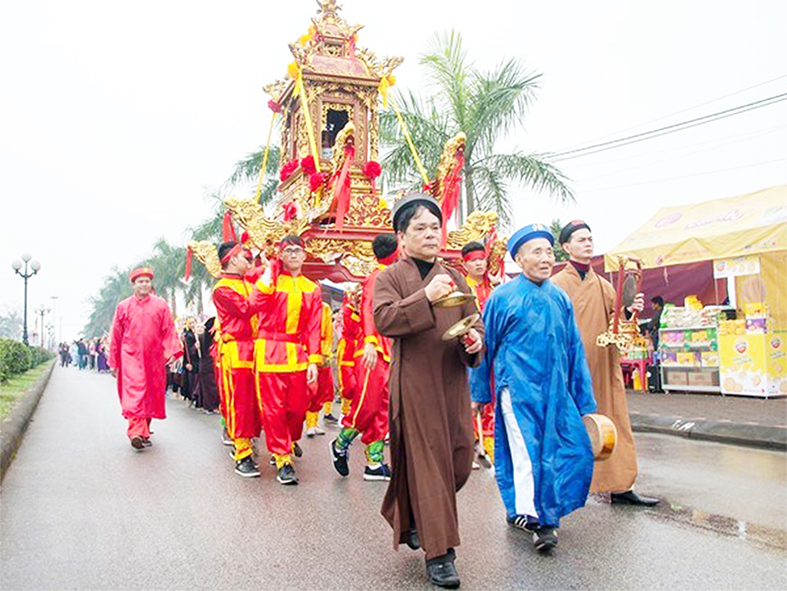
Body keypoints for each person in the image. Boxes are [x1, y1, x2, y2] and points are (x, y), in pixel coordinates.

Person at [374, 193, 483, 589]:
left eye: (435, 227)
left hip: (452, 378)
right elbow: (385, 319)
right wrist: (425, 296)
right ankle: (440, 555)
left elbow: (474, 318)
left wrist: (475, 341)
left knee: (457, 460)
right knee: (430, 465)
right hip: (416, 382)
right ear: (402, 237)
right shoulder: (389, 277)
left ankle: (414, 514)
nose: (430, 234)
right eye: (420, 228)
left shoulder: (454, 275)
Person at [471, 224, 597, 553]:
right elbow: (485, 346)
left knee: (569, 451)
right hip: (517, 391)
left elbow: (574, 349)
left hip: (557, 392)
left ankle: (532, 508)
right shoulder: (501, 298)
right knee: (528, 452)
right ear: (519, 258)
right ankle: (540, 521)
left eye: (548, 251)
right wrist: (479, 394)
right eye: (536, 252)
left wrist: (584, 399)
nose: (545, 259)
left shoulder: (560, 298)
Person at [551, 220, 659, 506]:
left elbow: (618, 319)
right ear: (566, 247)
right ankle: (568, 489)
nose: (588, 244)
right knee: (572, 428)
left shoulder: (602, 284)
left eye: (590, 239)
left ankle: (621, 485)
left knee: (616, 422)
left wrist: (628, 310)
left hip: (603, 364)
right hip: (573, 370)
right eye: (581, 240)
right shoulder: (556, 285)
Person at [250, 235, 322, 485]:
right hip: (269, 351)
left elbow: (314, 327)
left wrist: (314, 360)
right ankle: (282, 459)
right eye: (287, 251)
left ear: (304, 255)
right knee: (273, 409)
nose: (293, 255)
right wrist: (269, 271)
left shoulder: (312, 288)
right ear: (280, 255)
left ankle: (289, 441)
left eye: (297, 250)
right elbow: (253, 303)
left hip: (297, 353)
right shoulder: (270, 281)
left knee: (298, 407)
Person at [331, 234, 398, 482]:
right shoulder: (378, 277)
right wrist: (370, 341)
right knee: (368, 405)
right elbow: (369, 309)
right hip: (374, 349)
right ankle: (340, 443)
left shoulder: (393, 276)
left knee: (383, 407)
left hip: (390, 350)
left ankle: (374, 463)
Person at [109, 267, 182, 450]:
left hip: (154, 357)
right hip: (130, 356)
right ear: (133, 285)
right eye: (140, 281)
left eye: (147, 281)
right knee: (135, 393)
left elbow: (168, 330)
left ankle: (144, 430)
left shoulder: (160, 305)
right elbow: (116, 335)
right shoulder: (123, 307)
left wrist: (172, 352)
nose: (144, 284)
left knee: (150, 394)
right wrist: (114, 362)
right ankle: (135, 432)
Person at [212, 241, 264, 477]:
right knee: (240, 402)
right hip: (236, 350)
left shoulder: (246, 282)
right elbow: (246, 309)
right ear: (233, 259)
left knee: (257, 401)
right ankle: (241, 453)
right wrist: (264, 289)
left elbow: (261, 275)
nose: (249, 262)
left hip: (255, 348)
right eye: (246, 258)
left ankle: (255, 441)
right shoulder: (222, 289)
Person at [462, 240, 498, 465]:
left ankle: (491, 446)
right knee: (471, 400)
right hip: (472, 351)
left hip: (494, 351)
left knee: (493, 399)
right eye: (473, 261)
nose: (478, 264)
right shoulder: (461, 289)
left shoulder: (494, 287)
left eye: (481, 259)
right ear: (464, 265)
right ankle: (470, 446)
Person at [305, 301, 335, 437]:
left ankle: (313, 423)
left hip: (321, 349)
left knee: (320, 390)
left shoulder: (325, 307)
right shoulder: (304, 303)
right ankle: (307, 424)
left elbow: (328, 331)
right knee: (309, 389)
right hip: (306, 350)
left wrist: (326, 352)